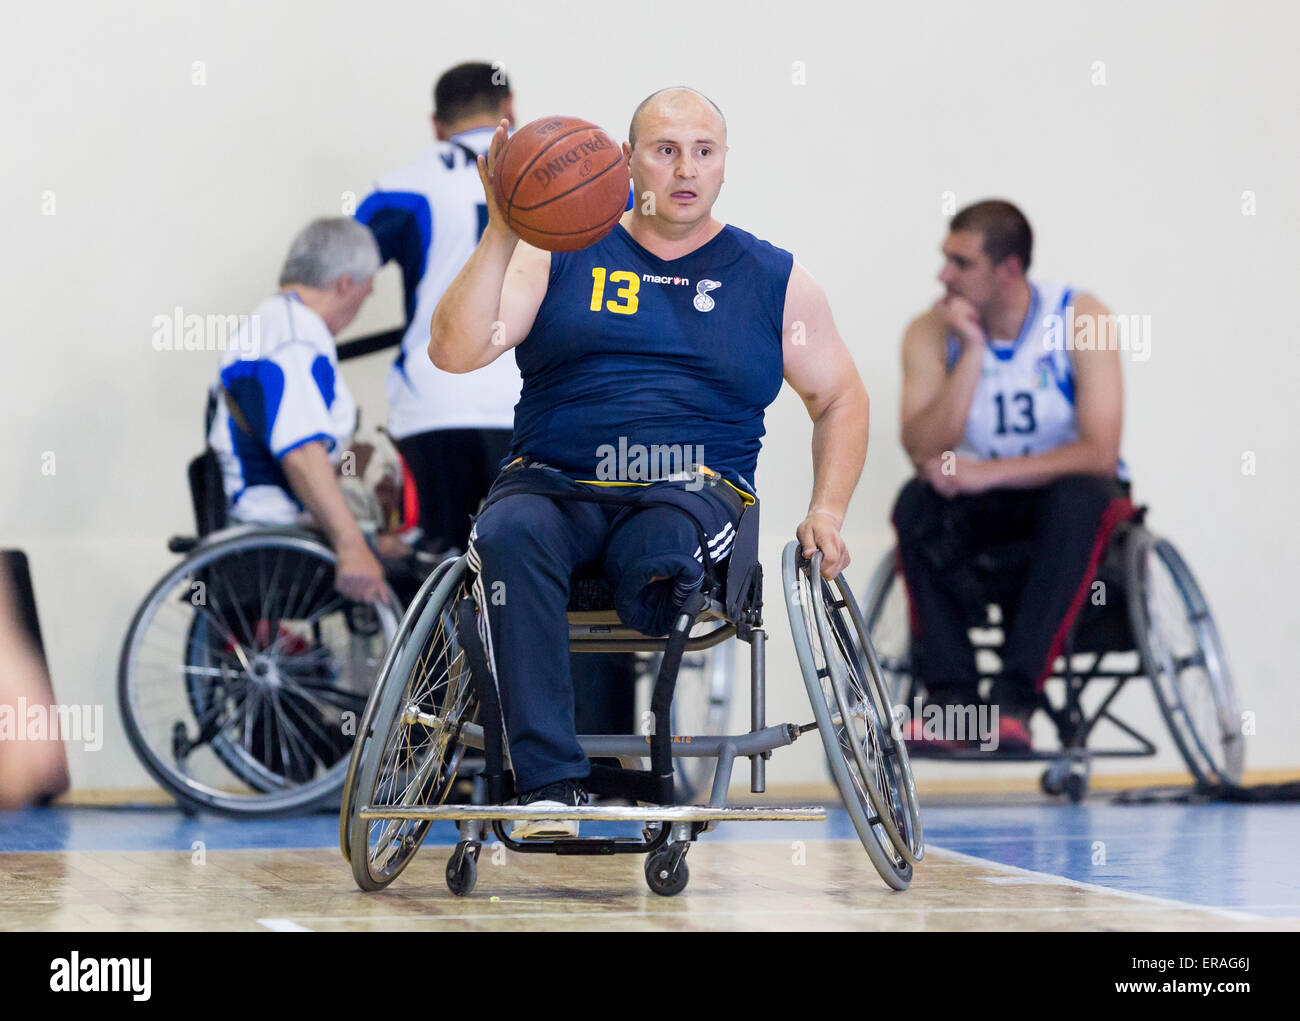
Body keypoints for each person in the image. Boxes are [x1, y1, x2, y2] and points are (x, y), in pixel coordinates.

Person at [430, 87, 869, 837]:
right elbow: (455, 349)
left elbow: (841, 399)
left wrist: (826, 510)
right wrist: (503, 229)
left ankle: (660, 767)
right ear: (629, 161)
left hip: (690, 491)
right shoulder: (555, 249)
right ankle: (549, 785)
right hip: (554, 481)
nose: (685, 168)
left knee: (663, 553)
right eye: (665, 150)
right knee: (508, 534)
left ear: (725, 163)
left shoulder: (772, 278)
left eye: (703, 150)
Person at [894, 199, 1132, 752]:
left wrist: (988, 474)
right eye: (945, 259)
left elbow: (1100, 451)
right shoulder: (931, 332)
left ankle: (1011, 704)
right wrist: (973, 354)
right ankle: (953, 703)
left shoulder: (1081, 316)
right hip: (987, 509)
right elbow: (922, 448)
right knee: (917, 501)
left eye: (961, 263)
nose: (943, 275)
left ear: (1008, 270)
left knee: (1079, 498)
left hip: (1070, 499)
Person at [355, 61, 521, 554]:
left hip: (434, 400)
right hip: (525, 400)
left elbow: (335, 271)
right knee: (518, 562)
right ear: (508, 109)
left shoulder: (402, 186)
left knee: (437, 568)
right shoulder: (556, 180)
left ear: (436, 124)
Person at [209, 217, 396, 604]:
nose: (363, 303)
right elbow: (300, 452)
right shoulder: (294, 335)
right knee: (422, 579)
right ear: (345, 283)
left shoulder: (276, 322)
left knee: (405, 547)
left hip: (269, 520)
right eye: (367, 290)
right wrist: (351, 546)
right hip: (274, 533)